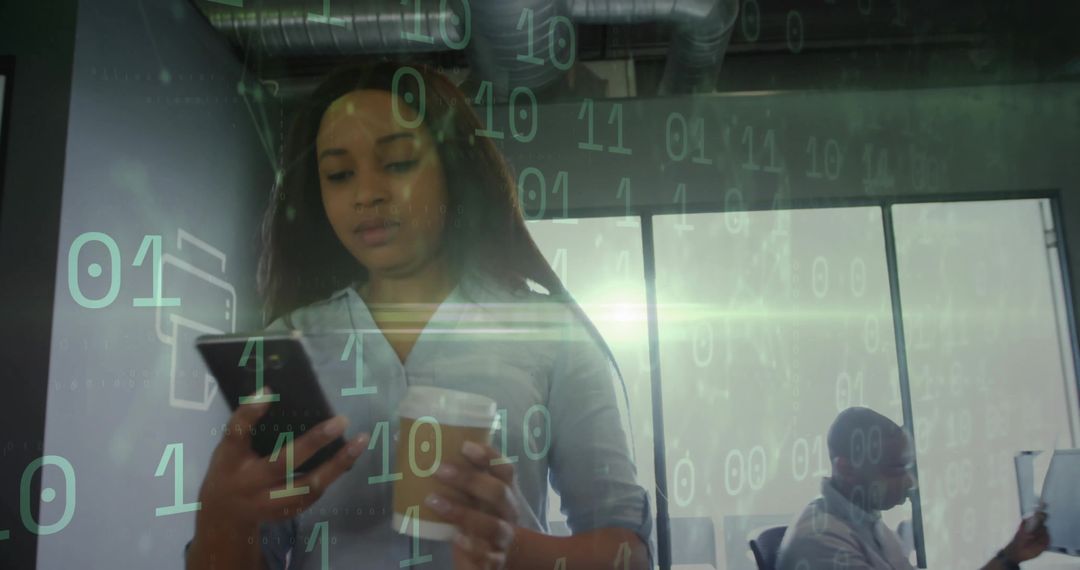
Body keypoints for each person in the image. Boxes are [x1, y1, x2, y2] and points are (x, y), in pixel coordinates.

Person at [184, 60, 652, 570]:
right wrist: (222, 519)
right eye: (339, 175)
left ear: (454, 168)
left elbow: (628, 554)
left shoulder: (549, 334)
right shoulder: (289, 346)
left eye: (399, 162)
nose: (367, 194)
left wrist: (510, 548)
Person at [777, 407, 1050, 570]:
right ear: (846, 469)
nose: (911, 482)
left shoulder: (864, 522)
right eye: (896, 470)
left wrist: (1010, 556)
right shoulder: (822, 542)